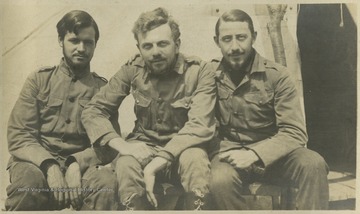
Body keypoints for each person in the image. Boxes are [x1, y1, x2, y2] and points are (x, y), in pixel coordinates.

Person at [81, 7, 216, 210]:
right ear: (139, 48)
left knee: (196, 160)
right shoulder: (132, 69)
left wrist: (159, 160)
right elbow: (93, 111)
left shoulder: (199, 71)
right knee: (125, 164)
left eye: (162, 44)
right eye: (147, 46)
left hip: (184, 149)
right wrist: (123, 146)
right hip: (144, 147)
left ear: (177, 44)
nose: (155, 52)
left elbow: (200, 125)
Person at [209, 9, 329, 210]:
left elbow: (295, 132)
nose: (235, 46)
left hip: (275, 157)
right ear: (217, 41)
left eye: (241, 37)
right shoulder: (209, 75)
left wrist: (254, 154)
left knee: (313, 164)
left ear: (253, 37)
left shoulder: (278, 76)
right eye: (227, 39)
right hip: (229, 155)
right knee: (219, 180)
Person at [6, 10, 119, 211]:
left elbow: (109, 143)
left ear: (95, 45)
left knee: (106, 185)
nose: (81, 48)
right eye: (74, 40)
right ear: (61, 40)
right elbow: (19, 135)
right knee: (27, 184)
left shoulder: (103, 89)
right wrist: (49, 166)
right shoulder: (39, 80)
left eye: (88, 42)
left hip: (82, 170)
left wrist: (77, 163)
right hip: (36, 165)